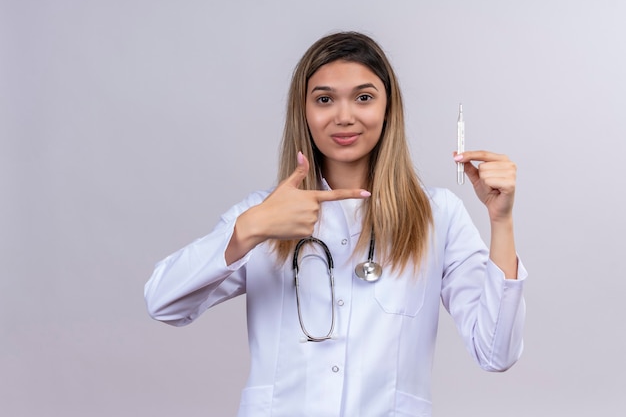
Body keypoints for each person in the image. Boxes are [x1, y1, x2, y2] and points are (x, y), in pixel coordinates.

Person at [144, 31, 526, 417]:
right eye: (325, 99)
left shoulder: (437, 215)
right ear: (304, 112)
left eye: (364, 97)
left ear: (388, 109)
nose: (344, 116)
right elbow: (164, 303)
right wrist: (247, 231)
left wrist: (501, 220)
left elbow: (496, 353)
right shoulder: (263, 214)